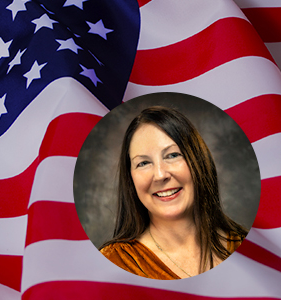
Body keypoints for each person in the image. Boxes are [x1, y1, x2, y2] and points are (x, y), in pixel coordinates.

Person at [99, 106, 248, 280]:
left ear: (198, 160)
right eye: (143, 163)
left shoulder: (251, 249)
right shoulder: (114, 263)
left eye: (172, 155)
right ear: (130, 178)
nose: (160, 175)